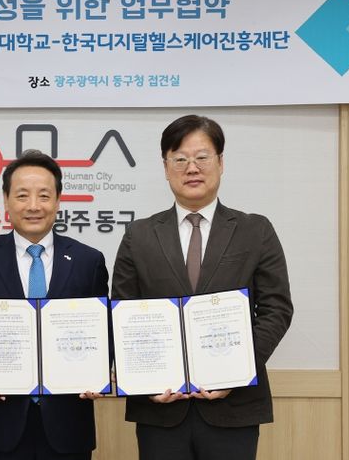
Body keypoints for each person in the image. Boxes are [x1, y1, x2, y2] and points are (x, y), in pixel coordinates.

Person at [112, 115, 293, 460]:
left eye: (202, 157)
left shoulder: (255, 230)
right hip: (160, 409)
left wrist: (237, 372)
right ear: (165, 167)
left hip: (234, 406)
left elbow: (276, 309)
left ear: (221, 163)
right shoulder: (139, 236)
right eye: (180, 159)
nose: (191, 168)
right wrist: (145, 383)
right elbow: (123, 313)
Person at [0, 149, 110, 460]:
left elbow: (103, 327)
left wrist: (98, 372)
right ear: (6, 200)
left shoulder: (88, 260)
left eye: (44, 195)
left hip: (69, 424)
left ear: (58, 200)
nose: (34, 206)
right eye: (22, 195)